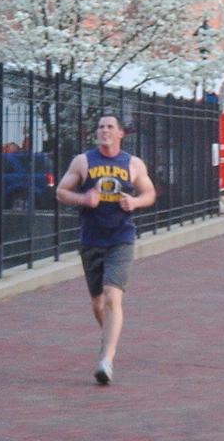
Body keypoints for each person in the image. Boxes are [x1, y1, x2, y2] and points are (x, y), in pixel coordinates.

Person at [56, 113, 156, 386]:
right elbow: (62, 192)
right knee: (98, 302)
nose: (104, 131)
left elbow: (150, 193)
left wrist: (135, 203)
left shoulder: (132, 164)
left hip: (121, 238)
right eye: (101, 127)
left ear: (120, 133)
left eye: (110, 127)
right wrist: (85, 198)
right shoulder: (83, 161)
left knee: (113, 297)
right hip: (91, 238)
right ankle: (109, 338)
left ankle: (106, 359)